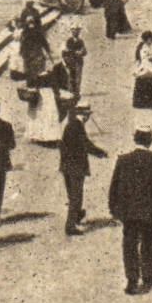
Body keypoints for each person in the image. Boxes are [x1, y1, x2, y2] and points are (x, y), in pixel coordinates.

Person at [108, 125, 152, 295]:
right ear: (149, 142)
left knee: (129, 243)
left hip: (128, 212)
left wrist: (113, 209)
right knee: (149, 242)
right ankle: (148, 275)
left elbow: (114, 187)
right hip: (149, 212)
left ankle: (131, 280)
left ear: (135, 139)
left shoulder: (123, 160)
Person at [58, 100, 108, 234]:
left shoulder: (70, 125)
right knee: (76, 196)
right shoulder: (78, 126)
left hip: (66, 166)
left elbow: (62, 145)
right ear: (85, 115)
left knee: (72, 194)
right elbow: (86, 144)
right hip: (76, 167)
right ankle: (70, 226)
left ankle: (77, 215)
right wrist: (101, 153)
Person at [132, 31, 152, 109]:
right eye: (151, 39)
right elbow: (144, 58)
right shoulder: (144, 48)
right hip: (145, 66)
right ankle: (149, 101)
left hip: (147, 65)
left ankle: (148, 101)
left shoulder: (145, 46)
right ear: (146, 39)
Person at [62, 24, 87, 95]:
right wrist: (66, 59)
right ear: (72, 32)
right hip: (70, 61)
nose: (75, 32)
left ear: (79, 33)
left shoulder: (81, 41)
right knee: (71, 75)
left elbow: (84, 51)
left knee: (78, 76)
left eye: (77, 31)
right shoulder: (69, 41)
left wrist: (81, 52)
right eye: (74, 31)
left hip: (78, 61)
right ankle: (71, 90)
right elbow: (64, 51)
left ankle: (77, 91)